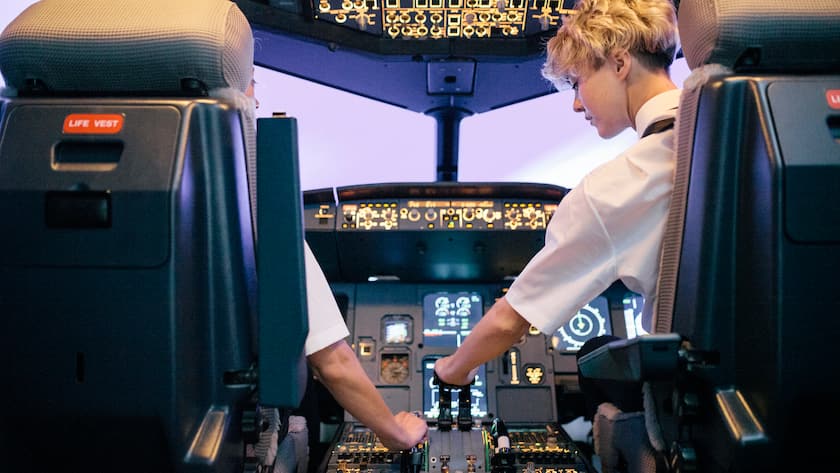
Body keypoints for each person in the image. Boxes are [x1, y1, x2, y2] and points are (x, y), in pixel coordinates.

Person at [433, 0, 680, 420]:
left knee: (594, 354)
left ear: (619, 63)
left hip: (690, 403)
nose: (577, 105)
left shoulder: (618, 187)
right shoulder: (743, 133)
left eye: (577, 81)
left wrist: (451, 370)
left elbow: (511, 320)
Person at [244, 76, 428, 451]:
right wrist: (397, 433)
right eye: (249, 85)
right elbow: (334, 364)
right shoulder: (258, 203)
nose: (257, 100)